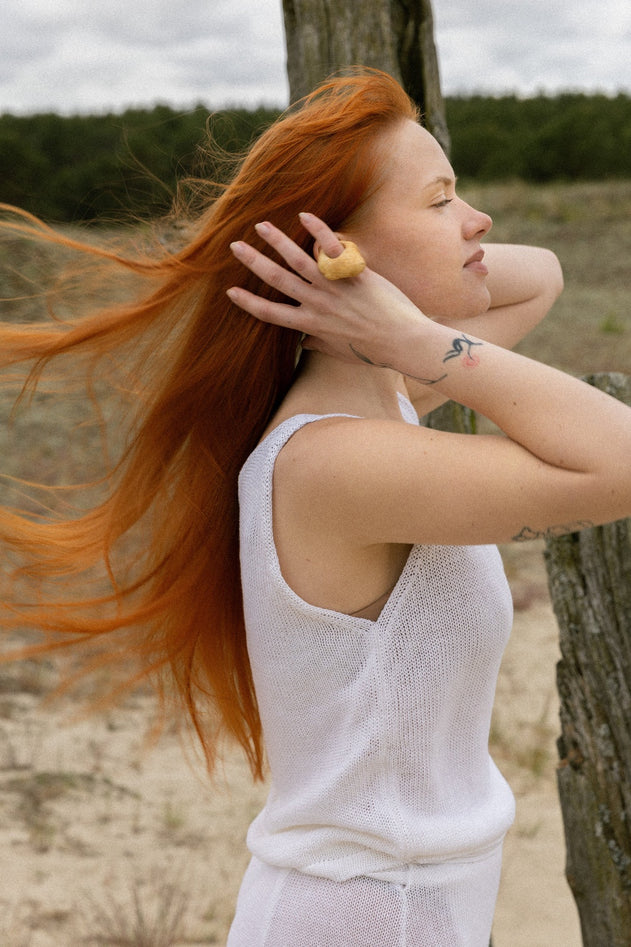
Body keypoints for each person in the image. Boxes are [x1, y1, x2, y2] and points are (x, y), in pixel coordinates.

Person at [0, 69, 629, 946]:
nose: (476, 221)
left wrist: (393, 319)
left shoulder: (384, 396)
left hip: (407, 907)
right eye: (442, 199)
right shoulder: (334, 460)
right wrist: (406, 328)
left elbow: (541, 277)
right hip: (361, 917)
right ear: (335, 249)